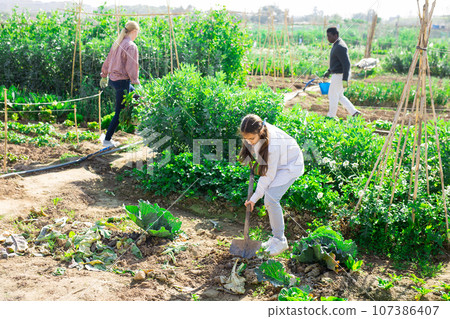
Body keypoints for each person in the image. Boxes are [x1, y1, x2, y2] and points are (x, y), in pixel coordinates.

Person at [239, 114, 304, 256]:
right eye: (246, 139)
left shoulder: (271, 146)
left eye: (252, 139)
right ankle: (275, 239)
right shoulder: (257, 134)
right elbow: (264, 166)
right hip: (281, 162)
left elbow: (268, 175)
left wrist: (254, 198)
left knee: (271, 198)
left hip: (290, 165)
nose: (249, 142)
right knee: (269, 197)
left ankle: (280, 240)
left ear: (260, 132)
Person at [99, 21, 140, 147]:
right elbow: (131, 67)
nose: (137, 35)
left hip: (114, 79)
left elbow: (108, 59)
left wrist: (104, 75)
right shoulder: (131, 46)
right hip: (122, 81)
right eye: (137, 33)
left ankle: (139, 127)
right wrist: (135, 81)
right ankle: (107, 139)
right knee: (119, 111)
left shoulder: (118, 42)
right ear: (134, 32)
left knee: (138, 97)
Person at [323, 27, 361, 118]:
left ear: (335, 35)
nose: (328, 38)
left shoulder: (340, 46)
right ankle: (354, 112)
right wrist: (329, 71)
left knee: (332, 95)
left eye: (329, 36)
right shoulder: (336, 44)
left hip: (340, 75)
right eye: (327, 36)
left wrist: (345, 79)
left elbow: (346, 64)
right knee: (339, 95)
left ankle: (331, 116)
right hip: (338, 74)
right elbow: (337, 62)